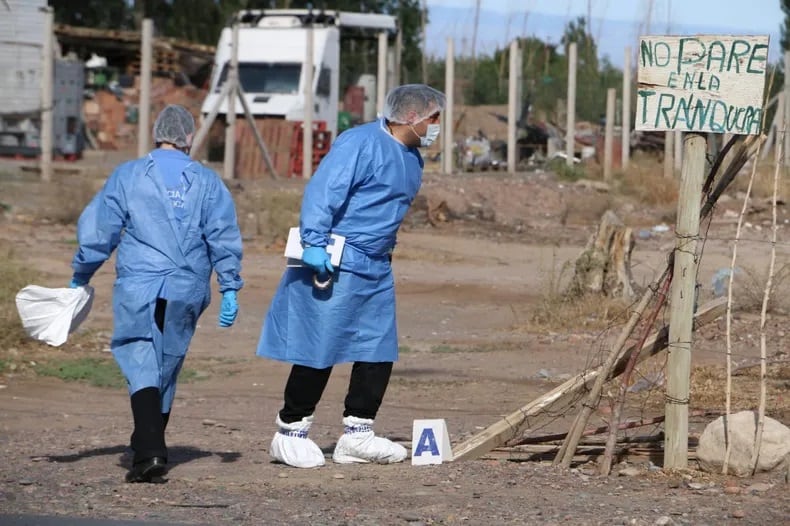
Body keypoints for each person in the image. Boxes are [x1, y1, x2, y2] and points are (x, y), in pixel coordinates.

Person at [256, 84, 446, 468]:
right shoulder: (359, 143)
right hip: (338, 259)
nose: (437, 126)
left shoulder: (412, 156)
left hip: (377, 264)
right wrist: (313, 241)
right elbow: (325, 192)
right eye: (434, 118)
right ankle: (291, 428)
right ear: (412, 117)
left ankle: (358, 431)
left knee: (378, 347)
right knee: (319, 344)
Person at [69, 105, 244, 483]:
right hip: (187, 286)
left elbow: (101, 230)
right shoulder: (208, 182)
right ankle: (147, 440)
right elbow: (223, 236)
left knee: (140, 357)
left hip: (140, 284)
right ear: (189, 138)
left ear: (155, 134)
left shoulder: (128, 175)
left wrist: (81, 272)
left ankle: (149, 450)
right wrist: (229, 286)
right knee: (167, 361)